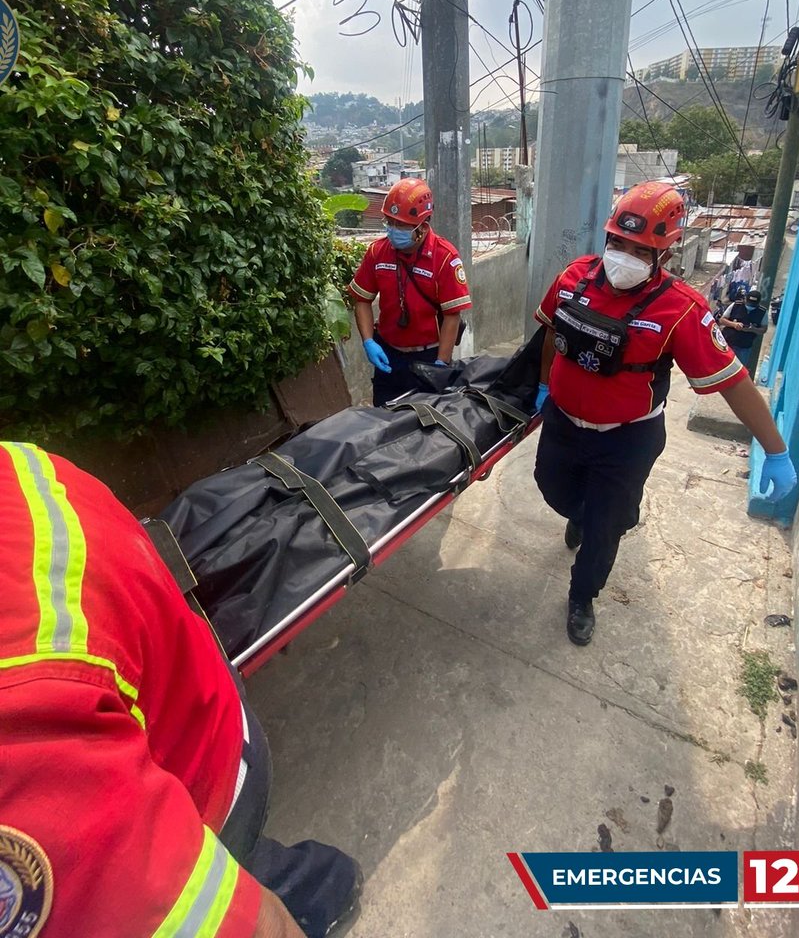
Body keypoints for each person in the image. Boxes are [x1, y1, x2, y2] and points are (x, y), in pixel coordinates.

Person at [0, 441, 361, 938]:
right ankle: (316, 880)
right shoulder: (20, 465)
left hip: (201, 771)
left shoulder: (21, 709)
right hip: (194, 696)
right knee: (237, 873)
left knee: (237, 882)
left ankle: (318, 888)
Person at [531, 181, 797, 648]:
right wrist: (541, 385)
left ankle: (582, 596)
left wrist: (774, 449)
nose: (623, 256)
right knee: (551, 486)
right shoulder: (574, 277)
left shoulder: (682, 309)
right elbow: (552, 332)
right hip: (563, 423)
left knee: (603, 530)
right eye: (617, 243)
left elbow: (733, 382)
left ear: (665, 255)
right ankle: (586, 513)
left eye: (639, 250)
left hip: (625, 440)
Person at [349, 178, 472, 406]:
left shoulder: (445, 258)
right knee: (383, 423)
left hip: (428, 357)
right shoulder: (378, 252)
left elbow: (452, 316)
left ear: (422, 227)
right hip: (388, 354)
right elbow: (362, 300)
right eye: (390, 222)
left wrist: (441, 365)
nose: (393, 231)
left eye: (402, 226)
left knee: (424, 430)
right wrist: (368, 341)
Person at [719, 287, 768, 367]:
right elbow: (722, 320)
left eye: (753, 305)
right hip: (728, 342)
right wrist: (734, 324)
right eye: (749, 303)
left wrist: (753, 329)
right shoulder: (736, 305)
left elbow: (763, 329)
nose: (750, 306)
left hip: (744, 346)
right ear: (745, 299)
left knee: (739, 368)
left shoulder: (762, 312)